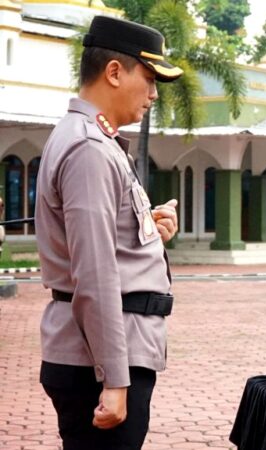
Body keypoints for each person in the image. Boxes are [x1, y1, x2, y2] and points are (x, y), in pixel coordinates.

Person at [36, 16, 181, 450]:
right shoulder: (90, 150)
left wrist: (149, 234)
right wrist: (114, 379)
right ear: (114, 72)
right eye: (150, 78)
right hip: (98, 363)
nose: (154, 94)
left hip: (97, 354)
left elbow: (102, 245)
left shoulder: (94, 141)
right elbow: (95, 275)